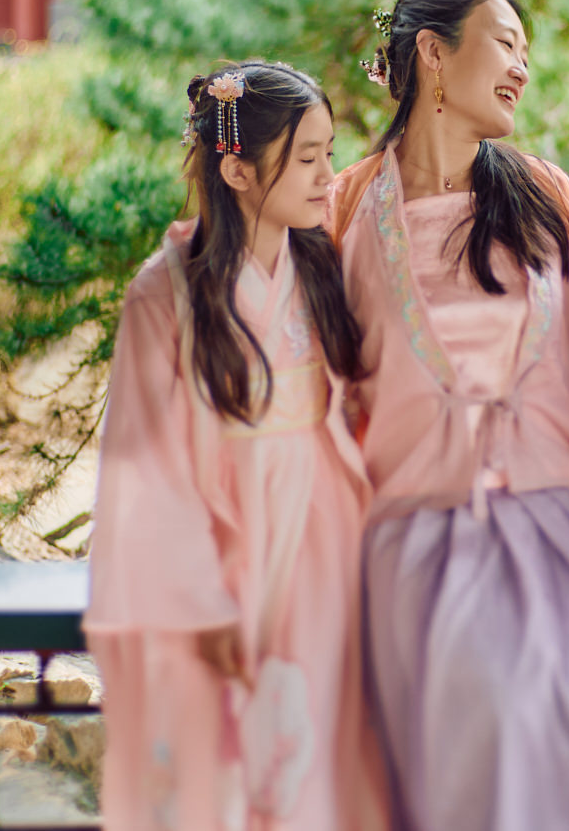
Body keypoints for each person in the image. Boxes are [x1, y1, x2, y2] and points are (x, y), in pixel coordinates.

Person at [327, 0, 569, 831]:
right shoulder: (346, 207)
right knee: (489, 727)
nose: (522, 67)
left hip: (557, 534)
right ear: (434, 56)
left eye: (526, 51)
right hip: (415, 543)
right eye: (505, 42)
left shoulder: (545, 196)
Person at [84, 60, 387, 831]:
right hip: (221, 551)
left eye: (329, 151)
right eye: (308, 157)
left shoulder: (321, 265)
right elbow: (145, 464)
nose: (328, 176)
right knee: (219, 768)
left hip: (321, 539)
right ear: (238, 169)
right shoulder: (168, 289)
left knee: (312, 761)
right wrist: (199, 602)